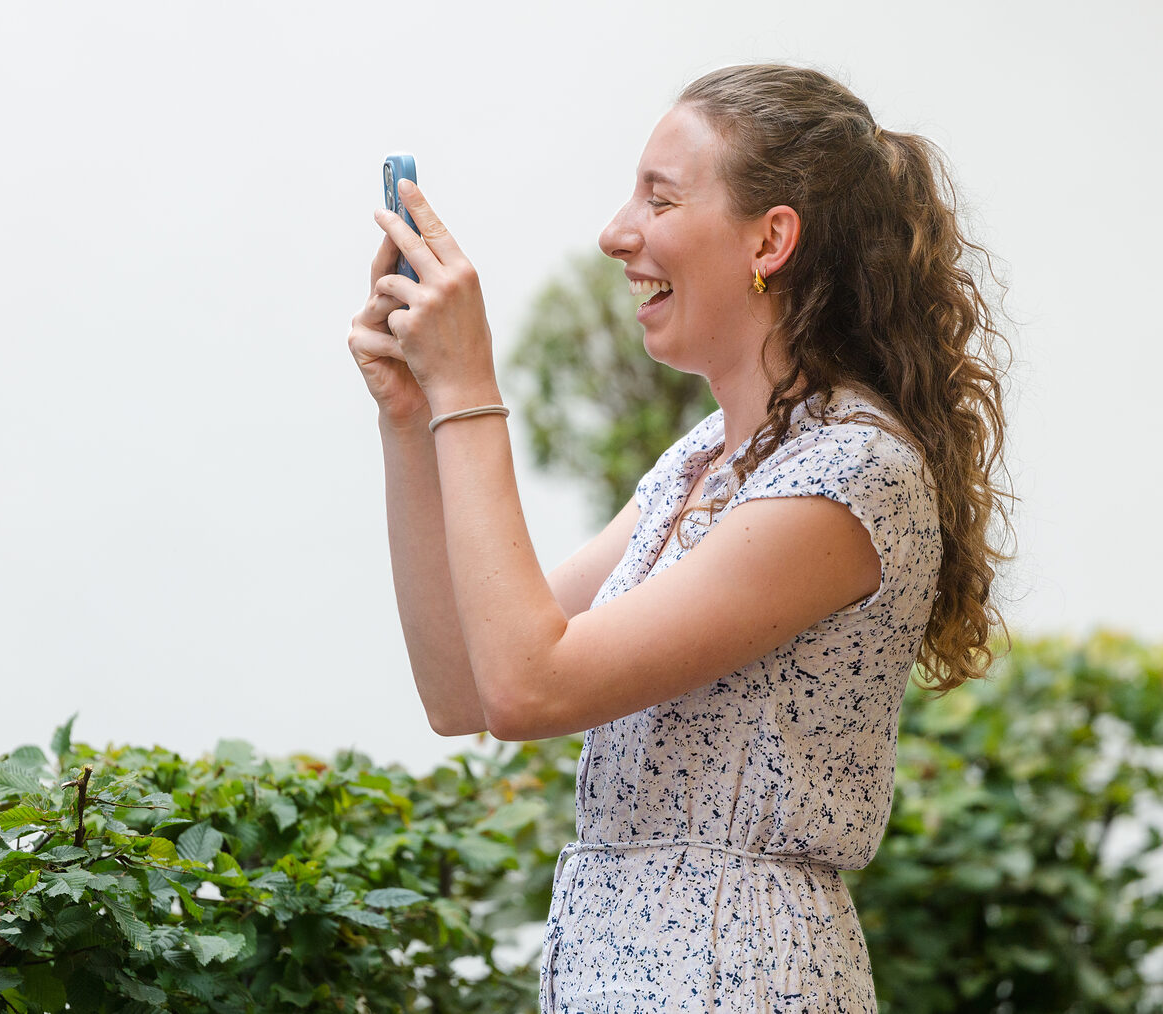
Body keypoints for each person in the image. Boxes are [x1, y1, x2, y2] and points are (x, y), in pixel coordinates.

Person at [347, 63, 1012, 1012]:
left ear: (772, 238)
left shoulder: (851, 474)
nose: (618, 234)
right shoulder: (701, 462)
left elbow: (531, 684)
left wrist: (469, 389)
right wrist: (413, 420)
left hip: (737, 979)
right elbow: (465, 690)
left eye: (658, 199)